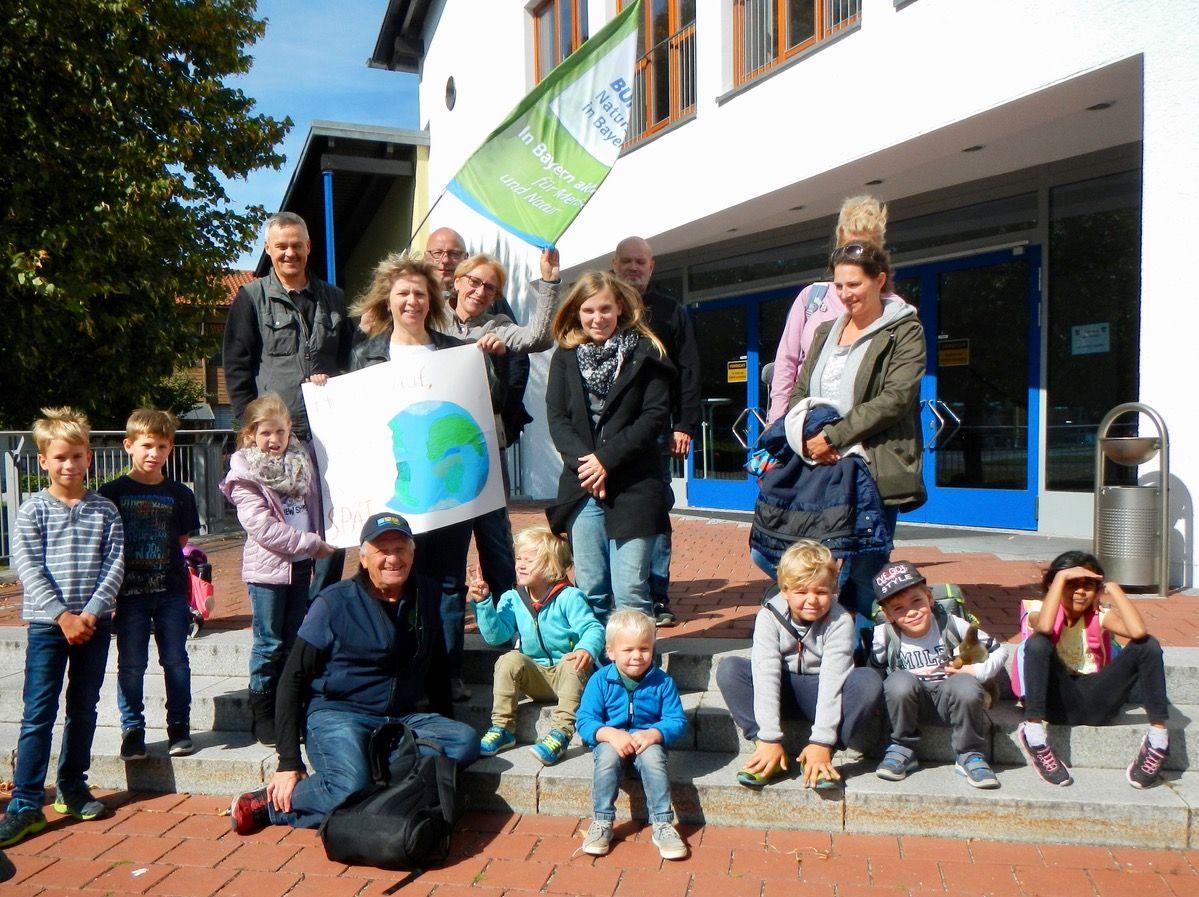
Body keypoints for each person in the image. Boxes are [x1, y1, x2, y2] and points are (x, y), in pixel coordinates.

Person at [229, 512, 479, 834]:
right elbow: (292, 679)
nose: (392, 559)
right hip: (339, 713)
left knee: (464, 742)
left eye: (401, 549)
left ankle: (377, 777)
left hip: (401, 716)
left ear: (413, 553)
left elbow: (437, 668)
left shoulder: (427, 594)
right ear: (363, 557)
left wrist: (444, 720)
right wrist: (288, 761)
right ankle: (271, 806)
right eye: (382, 550)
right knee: (349, 784)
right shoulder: (334, 602)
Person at [349, 252, 495, 702]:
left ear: (431, 301)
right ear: (387, 301)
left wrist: (488, 365)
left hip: (448, 491)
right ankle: (393, 668)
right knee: (389, 579)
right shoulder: (366, 356)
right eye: (402, 294)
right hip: (397, 492)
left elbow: (489, 406)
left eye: (419, 293)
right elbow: (355, 424)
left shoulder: (456, 353)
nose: (411, 301)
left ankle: (448, 674)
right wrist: (325, 392)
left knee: (448, 584)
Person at [787, 241, 926, 651]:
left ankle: (863, 653)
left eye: (854, 284)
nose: (845, 294)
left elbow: (895, 398)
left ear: (879, 280)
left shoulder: (904, 330)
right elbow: (800, 388)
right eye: (839, 285)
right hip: (821, 465)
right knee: (818, 562)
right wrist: (808, 437)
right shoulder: (826, 331)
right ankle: (821, 650)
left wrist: (835, 435)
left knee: (866, 567)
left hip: (873, 465)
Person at [0, 408, 124, 848]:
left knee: (84, 707)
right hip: (48, 627)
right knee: (38, 713)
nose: (69, 465)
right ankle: (26, 803)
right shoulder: (33, 509)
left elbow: (114, 564)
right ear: (44, 462)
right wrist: (62, 615)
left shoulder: (105, 510)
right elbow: (27, 566)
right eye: (60, 457)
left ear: (88, 458)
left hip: (94, 623)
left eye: (77, 456)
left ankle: (72, 785)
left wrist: (90, 611)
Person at [222, 211, 352, 600]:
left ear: (309, 247)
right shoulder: (250, 298)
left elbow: (348, 360)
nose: (289, 253)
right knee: (283, 526)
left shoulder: (335, 298)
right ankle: (289, 613)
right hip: (277, 440)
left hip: (327, 437)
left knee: (331, 526)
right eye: (281, 246)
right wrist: (249, 434)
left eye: (297, 245)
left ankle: (321, 608)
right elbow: (237, 367)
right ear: (268, 249)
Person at [545, 272, 674, 621]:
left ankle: (636, 672)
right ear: (576, 312)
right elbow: (557, 418)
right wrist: (589, 466)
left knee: (631, 589)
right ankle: (598, 672)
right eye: (588, 310)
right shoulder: (565, 357)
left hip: (634, 487)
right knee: (591, 590)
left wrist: (606, 460)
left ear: (619, 307)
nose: (597, 318)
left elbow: (653, 418)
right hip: (583, 486)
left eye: (605, 309)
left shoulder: (647, 353)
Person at [440, 250, 562, 608]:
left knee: (494, 533)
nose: (480, 292)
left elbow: (540, 338)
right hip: (440, 445)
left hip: (483, 444)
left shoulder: (497, 327)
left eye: (490, 288)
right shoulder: (432, 318)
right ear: (458, 281)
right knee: (447, 534)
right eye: (474, 282)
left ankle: (508, 614)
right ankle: (447, 612)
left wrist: (549, 282)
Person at [715, 540, 883, 791]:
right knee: (730, 669)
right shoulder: (768, 616)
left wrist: (822, 741)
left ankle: (818, 758)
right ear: (784, 590)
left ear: (833, 589)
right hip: (783, 691)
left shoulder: (839, 621)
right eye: (802, 592)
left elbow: (833, 680)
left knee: (868, 681)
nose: (812, 600)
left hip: (820, 694)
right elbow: (766, 673)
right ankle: (766, 753)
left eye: (821, 592)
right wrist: (769, 736)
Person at [219, 394, 335, 746]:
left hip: (300, 568)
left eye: (281, 432)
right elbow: (263, 528)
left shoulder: (301, 462)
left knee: (292, 642)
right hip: (268, 574)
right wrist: (311, 543)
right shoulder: (245, 473)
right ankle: (264, 711)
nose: (274, 440)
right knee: (269, 644)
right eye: (266, 433)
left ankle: (289, 708)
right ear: (251, 433)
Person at [1013, 550, 1171, 789]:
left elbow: (1138, 632)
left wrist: (1113, 589)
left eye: (1088, 585)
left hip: (1098, 700)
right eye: (1071, 584)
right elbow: (1044, 626)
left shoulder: (1101, 616)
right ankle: (1033, 734)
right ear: (1054, 584)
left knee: (1148, 645)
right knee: (1037, 642)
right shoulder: (1036, 609)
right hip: (1057, 701)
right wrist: (1060, 578)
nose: (1079, 591)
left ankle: (1158, 740)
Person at [99, 409, 200, 762]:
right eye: (146, 445)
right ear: (129, 446)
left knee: (176, 660)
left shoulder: (179, 493)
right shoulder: (111, 493)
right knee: (131, 664)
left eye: (161, 446)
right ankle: (133, 730)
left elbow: (182, 538)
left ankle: (179, 727)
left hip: (171, 592)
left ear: (170, 448)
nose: (153, 453)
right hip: (129, 597)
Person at [612, 237, 700, 627]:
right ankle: (615, 590)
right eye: (627, 261)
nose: (633, 268)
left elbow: (689, 369)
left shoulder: (669, 311)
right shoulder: (603, 306)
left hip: (657, 433)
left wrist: (683, 424)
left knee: (656, 510)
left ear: (652, 267)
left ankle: (657, 594)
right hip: (609, 435)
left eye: (640, 262)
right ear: (615, 265)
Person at [468, 526, 604, 766]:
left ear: (551, 565)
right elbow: (496, 636)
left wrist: (585, 649)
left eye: (529, 560)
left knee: (573, 662)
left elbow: (593, 629)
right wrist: (483, 604)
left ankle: (561, 733)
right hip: (537, 677)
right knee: (508, 660)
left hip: (568, 676)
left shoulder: (569, 597)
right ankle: (502, 728)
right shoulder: (513, 598)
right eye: (518, 558)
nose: (520, 564)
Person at [870, 561, 1005, 789]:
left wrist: (976, 671)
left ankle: (969, 754)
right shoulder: (884, 635)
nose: (911, 612)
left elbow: (999, 650)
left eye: (917, 601)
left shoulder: (951, 623)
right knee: (898, 681)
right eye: (899, 608)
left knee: (965, 684)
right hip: (911, 705)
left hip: (950, 701)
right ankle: (902, 747)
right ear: (888, 614)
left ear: (930, 599)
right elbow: (875, 672)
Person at [767, 195, 894, 423]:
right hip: (806, 423)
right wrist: (777, 421)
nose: (854, 260)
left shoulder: (895, 310)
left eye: (865, 252)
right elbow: (787, 361)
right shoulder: (812, 297)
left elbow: (893, 392)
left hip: (862, 430)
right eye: (848, 249)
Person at [576, 610, 689, 860]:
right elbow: (585, 719)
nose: (637, 656)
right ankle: (603, 821)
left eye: (644, 649)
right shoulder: (600, 680)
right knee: (606, 759)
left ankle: (662, 823)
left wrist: (655, 733)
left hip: (645, 739)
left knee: (654, 761)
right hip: (611, 739)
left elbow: (677, 720)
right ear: (611, 651)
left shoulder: (663, 682)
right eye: (628, 650)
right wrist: (608, 734)